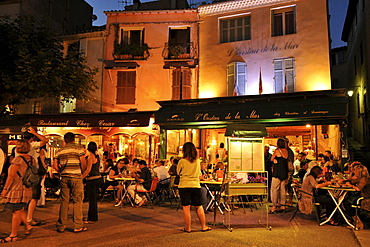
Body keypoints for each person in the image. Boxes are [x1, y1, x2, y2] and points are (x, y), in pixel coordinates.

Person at [53, 132, 87, 233]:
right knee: (77, 201)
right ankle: (77, 225)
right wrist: (81, 172)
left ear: (64, 140)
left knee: (64, 201)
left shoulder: (60, 151)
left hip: (64, 177)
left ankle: (61, 226)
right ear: (73, 139)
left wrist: (61, 172)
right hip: (76, 177)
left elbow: (54, 165)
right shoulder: (78, 149)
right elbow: (83, 163)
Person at [1, 140, 35, 243]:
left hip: (17, 188)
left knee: (15, 211)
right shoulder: (32, 159)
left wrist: (5, 189)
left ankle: (13, 235)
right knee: (20, 209)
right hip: (27, 187)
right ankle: (27, 225)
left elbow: (11, 176)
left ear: (18, 148)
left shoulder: (17, 160)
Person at [177, 142, 211, 233]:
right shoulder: (197, 161)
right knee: (198, 206)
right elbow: (199, 173)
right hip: (195, 185)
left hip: (184, 185)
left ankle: (188, 228)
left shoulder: (182, 161)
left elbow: (178, 172)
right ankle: (203, 226)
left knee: (186, 207)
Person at [19, 127, 48, 226]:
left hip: (21, 175)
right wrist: (35, 133)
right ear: (31, 138)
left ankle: (22, 218)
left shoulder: (17, 147)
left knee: (23, 197)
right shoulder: (32, 145)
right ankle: (29, 219)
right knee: (34, 197)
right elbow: (45, 140)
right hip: (32, 175)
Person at [343, 164, 370, 229]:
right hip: (361, 195)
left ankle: (358, 222)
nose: (354, 172)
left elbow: (358, 188)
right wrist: (350, 176)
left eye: (355, 171)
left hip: (365, 197)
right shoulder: (360, 178)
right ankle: (355, 221)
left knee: (347, 203)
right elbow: (351, 181)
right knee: (346, 200)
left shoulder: (364, 179)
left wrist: (351, 186)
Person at [83, 142, 102, 224]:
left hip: (92, 179)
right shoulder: (97, 156)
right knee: (94, 199)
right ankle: (93, 217)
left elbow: (88, 170)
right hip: (98, 178)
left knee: (92, 200)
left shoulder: (90, 157)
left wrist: (81, 177)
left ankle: (92, 218)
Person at [269, 138, 289, 214]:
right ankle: (283, 205)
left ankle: (274, 206)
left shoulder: (277, 151)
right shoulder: (286, 151)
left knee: (274, 189)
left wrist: (274, 160)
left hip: (277, 172)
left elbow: (271, 159)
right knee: (282, 189)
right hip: (284, 172)